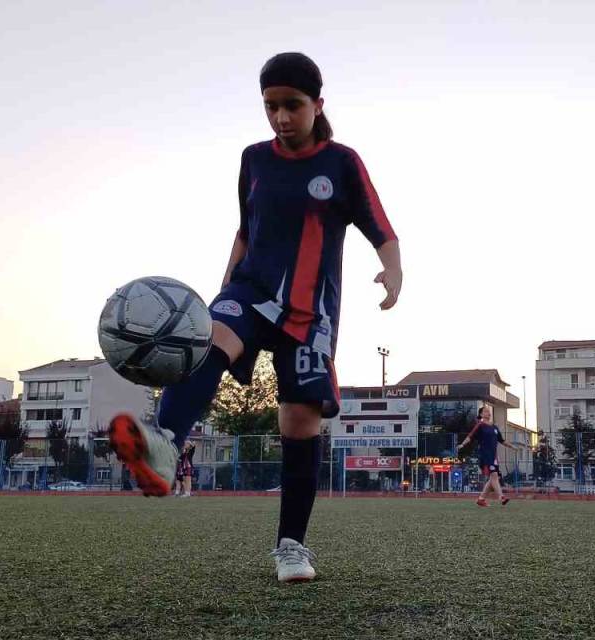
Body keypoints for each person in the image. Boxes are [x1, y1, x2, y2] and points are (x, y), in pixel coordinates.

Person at [108, 52, 401, 584]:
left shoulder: (341, 162)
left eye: (292, 105)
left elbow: (380, 225)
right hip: (251, 289)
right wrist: (225, 285)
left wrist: (392, 272)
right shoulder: (253, 159)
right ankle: (166, 445)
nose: (281, 117)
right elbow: (245, 229)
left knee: (299, 423)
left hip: (311, 313)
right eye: (271, 106)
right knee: (208, 338)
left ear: (317, 104)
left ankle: (291, 547)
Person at [459, 406, 514, 507]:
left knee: (493, 477)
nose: (488, 413)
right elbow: (470, 436)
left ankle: (481, 499)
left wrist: (512, 446)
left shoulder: (494, 427)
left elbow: (501, 440)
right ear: (481, 414)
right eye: (485, 411)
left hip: (494, 456)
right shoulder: (480, 425)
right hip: (485, 454)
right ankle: (502, 497)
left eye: (489, 411)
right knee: (494, 475)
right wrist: (462, 444)